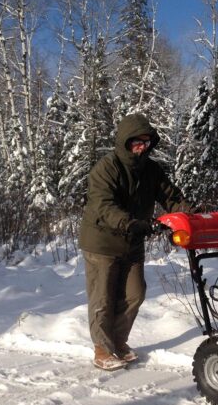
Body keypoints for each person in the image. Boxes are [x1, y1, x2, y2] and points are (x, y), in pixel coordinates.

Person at [79, 113, 194, 371]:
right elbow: (104, 207)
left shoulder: (151, 170)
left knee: (135, 293)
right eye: (136, 142)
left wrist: (187, 215)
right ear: (125, 142)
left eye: (146, 142)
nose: (141, 147)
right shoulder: (106, 169)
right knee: (103, 297)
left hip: (132, 241)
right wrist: (133, 223)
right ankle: (102, 349)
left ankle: (118, 342)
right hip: (102, 242)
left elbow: (171, 197)